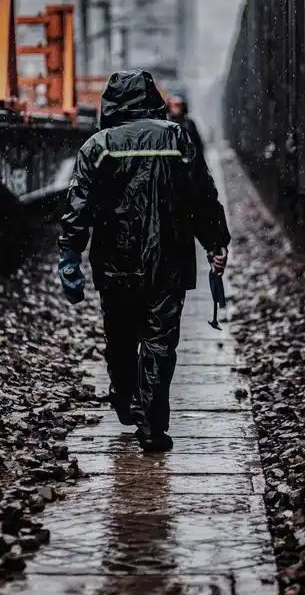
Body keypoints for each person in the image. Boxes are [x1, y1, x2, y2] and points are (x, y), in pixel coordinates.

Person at [57, 69, 230, 453]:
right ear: (153, 98)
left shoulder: (98, 145)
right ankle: (152, 425)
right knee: (159, 342)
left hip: (115, 262)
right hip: (169, 261)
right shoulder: (176, 138)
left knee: (120, 336)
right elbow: (202, 196)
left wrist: (70, 254)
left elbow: (78, 206)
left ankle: (123, 396)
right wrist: (216, 244)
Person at [167, 94, 205, 160]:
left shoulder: (189, 123)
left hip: (189, 159)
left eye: (177, 105)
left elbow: (197, 142)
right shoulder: (166, 123)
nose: (175, 108)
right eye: (172, 106)